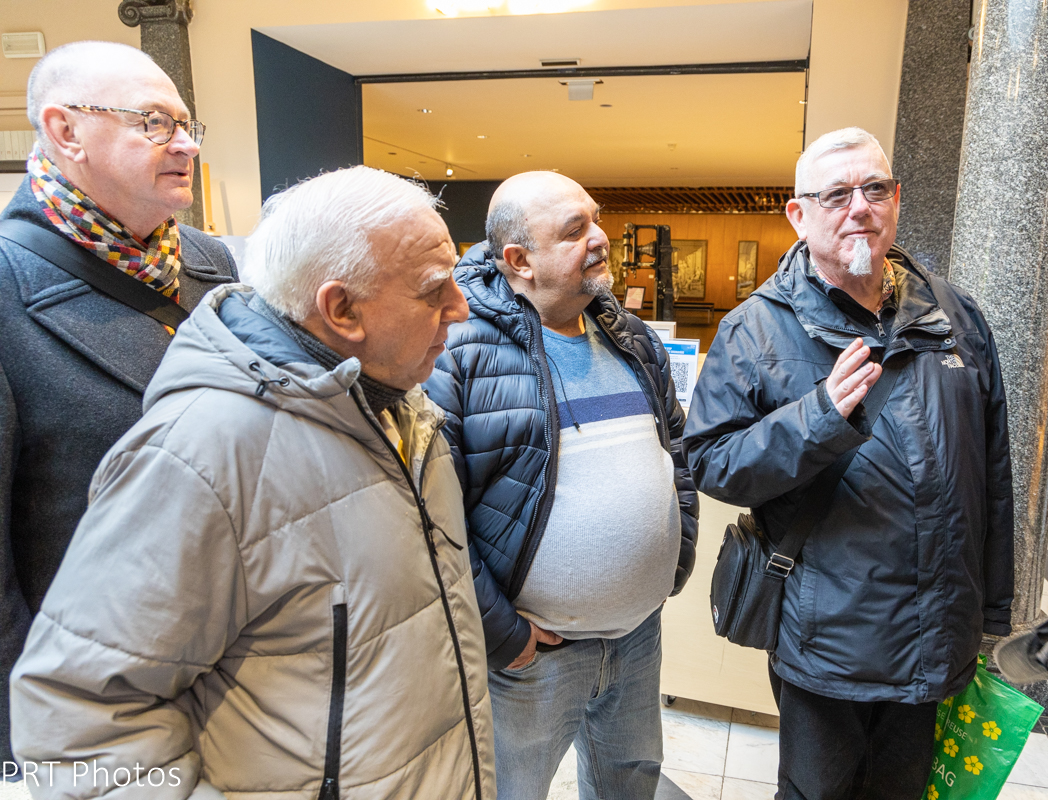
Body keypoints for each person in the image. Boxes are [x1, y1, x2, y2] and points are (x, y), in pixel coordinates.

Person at [10, 166, 495, 799]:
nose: (461, 308)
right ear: (341, 309)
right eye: (434, 291)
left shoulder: (402, 409)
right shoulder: (201, 454)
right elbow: (79, 722)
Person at [683, 127, 1013, 800]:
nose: (859, 207)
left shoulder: (957, 316)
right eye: (835, 194)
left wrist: (993, 613)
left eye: (873, 189)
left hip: (938, 634)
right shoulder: (755, 328)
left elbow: (994, 475)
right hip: (828, 639)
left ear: (896, 199)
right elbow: (713, 463)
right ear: (798, 215)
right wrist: (819, 418)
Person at [424, 171, 697, 800]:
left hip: (637, 635)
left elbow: (675, 453)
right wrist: (504, 633)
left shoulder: (632, 338)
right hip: (532, 658)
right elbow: (431, 519)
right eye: (575, 231)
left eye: (596, 219)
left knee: (630, 785)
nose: (600, 238)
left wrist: (672, 556)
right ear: (519, 260)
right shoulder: (457, 352)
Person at [0, 40, 237, 764]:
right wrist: (29, 741)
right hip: (93, 703)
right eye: (155, 123)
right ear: (66, 130)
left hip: (232, 671)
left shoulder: (211, 264)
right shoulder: (7, 285)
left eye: (187, 125)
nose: (186, 145)